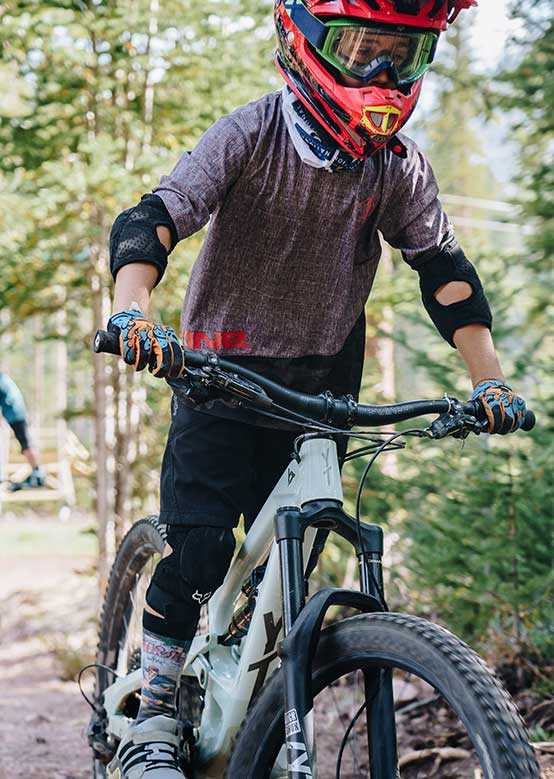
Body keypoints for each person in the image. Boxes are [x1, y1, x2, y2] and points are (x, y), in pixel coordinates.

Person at [105, 1, 527, 776]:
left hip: (320, 386)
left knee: (291, 571)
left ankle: (262, 721)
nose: (380, 74)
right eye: (362, 49)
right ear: (302, 42)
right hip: (217, 375)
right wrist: (133, 313)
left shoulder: (393, 166)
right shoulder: (251, 133)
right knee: (200, 547)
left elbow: (446, 274)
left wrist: (489, 383)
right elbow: (154, 219)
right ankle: (153, 718)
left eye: (402, 56)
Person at [0, 371, 46, 490]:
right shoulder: (3, 378)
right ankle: (37, 471)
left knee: (25, 443)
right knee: (25, 442)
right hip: (15, 411)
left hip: (14, 412)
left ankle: (38, 473)